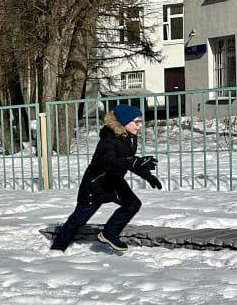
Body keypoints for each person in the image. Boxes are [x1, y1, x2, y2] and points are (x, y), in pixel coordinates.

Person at [50, 104, 161, 253]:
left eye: (140, 121)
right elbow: (108, 162)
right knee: (78, 220)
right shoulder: (108, 140)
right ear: (124, 122)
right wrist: (134, 161)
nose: (139, 126)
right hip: (96, 185)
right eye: (136, 122)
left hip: (113, 181)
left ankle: (109, 233)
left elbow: (128, 160)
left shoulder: (129, 138)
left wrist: (148, 176)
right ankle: (57, 249)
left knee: (132, 204)